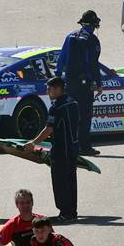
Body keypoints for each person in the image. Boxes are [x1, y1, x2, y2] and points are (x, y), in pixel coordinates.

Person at [25, 78, 80, 222]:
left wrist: (34, 143)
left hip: (61, 150)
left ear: (57, 89)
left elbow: (49, 129)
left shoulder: (56, 107)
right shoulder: (73, 102)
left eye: (49, 89)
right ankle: (71, 212)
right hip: (73, 148)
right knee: (71, 181)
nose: (47, 92)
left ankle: (65, 212)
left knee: (60, 182)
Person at [56, 11, 101, 156]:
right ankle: (85, 147)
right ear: (94, 25)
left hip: (69, 82)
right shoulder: (93, 40)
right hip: (84, 84)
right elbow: (93, 64)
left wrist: (57, 78)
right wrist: (98, 83)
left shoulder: (69, 37)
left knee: (71, 115)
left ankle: (71, 146)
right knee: (85, 116)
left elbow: (61, 59)